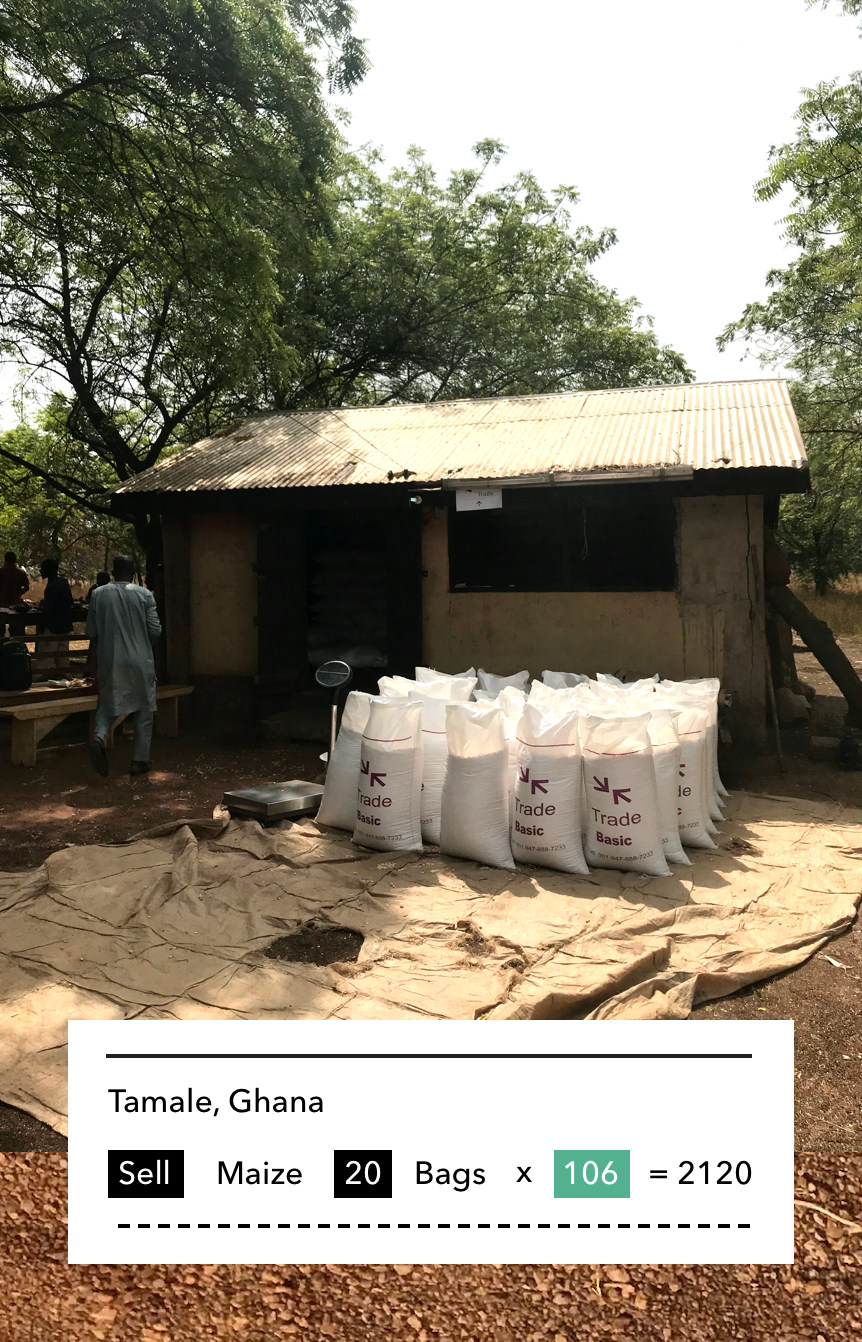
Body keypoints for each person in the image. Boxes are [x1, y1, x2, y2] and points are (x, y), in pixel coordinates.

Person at [86, 555, 162, 776]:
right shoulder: (145, 595)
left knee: (108, 701)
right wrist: (144, 644)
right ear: (133, 572)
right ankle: (139, 760)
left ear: (112, 571)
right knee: (145, 709)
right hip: (141, 659)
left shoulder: (99, 595)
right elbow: (155, 630)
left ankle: (99, 737)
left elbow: (91, 631)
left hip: (110, 658)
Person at [36, 557, 74, 674]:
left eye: (42, 569)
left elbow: (49, 609)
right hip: (65, 627)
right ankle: (65, 678)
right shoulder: (63, 582)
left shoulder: (51, 586)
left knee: (45, 658)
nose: (41, 571)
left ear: (48, 570)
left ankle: (40, 680)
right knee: (63, 658)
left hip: (53, 628)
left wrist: (41, 627)